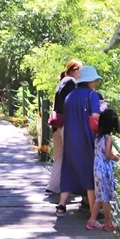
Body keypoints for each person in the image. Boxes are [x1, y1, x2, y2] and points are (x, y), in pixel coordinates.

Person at [56, 65, 103, 220]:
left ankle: (61, 206)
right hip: (86, 138)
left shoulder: (70, 96)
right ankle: (93, 212)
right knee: (89, 173)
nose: (95, 83)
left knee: (69, 171)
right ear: (90, 81)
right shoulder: (92, 95)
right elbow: (95, 117)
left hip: (70, 139)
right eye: (94, 80)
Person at [46, 59, 82, 195]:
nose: (81, 73)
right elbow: (72, 103)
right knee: (72, 156)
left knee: (59, 158)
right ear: (73, 70)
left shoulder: (62, 82)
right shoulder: (71, 82)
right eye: (80, 70)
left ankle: (53, 187)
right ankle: (74, 188)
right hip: (66, 124)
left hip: (57, 125)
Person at [90, 108, 120, 232]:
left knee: (99, 196)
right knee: (105, 198)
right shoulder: (108, 137)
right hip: (104, 169)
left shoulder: (98, 136)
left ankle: (92, 220)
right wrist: (116, 157)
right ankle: (108, 223)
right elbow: (108, 154)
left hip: (96, 168)